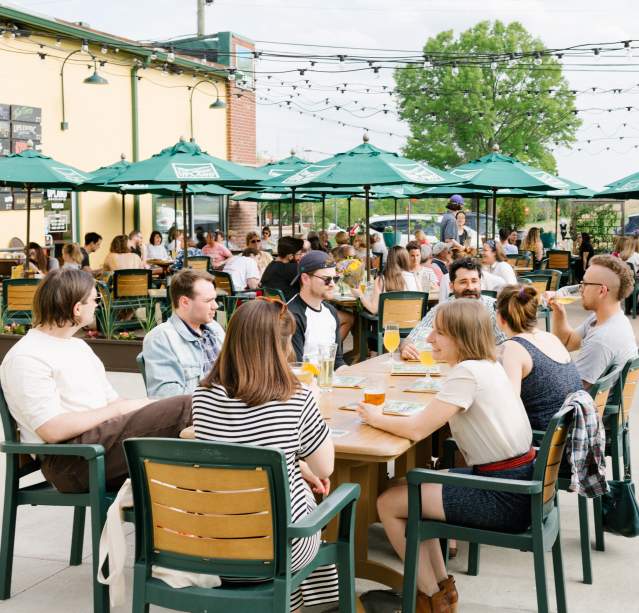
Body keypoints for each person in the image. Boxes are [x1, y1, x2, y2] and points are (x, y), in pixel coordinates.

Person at [357, 300, 533, 611]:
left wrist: (373, 416)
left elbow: (415, 430)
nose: (429, 339)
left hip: (502, 495)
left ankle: (429, 598)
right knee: (404, 486)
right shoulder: (488, 366)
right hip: (517, 483)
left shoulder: (466, 373)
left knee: (387, 503)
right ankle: (441, 593)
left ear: (460, 337)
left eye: (439, 333)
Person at [192, 299, 339, 611]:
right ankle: (300, 603)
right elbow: (325, 467)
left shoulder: (202, 397)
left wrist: (295, 464)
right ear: (280, 346)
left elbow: (240, 444)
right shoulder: (297, 398)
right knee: (314, 508)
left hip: (211, 546)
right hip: (278, 549)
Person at [0, 269, 192, 493]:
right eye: (95, 299)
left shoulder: (78, 346)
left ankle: (200, 512)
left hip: (100, 444)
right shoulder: (26, 356)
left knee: (189, 424)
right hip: (72, 460)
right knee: (186, 406)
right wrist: (121, 409)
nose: (98, 305)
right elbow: (52, 429)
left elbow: (112, 402)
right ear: (77, 308)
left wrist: (144, 406)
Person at [497, 284, 582, 430]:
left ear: (500, 318)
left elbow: (509, 407)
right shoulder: (551, 338)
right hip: (569, 436)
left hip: (541, 442)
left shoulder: (512, 348)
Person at [548, 254, 637, 389]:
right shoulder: (609, 319)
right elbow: (567, 343)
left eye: (585, 284)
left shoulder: (601, 339)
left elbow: (570, 391)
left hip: (588, 408)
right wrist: (558, 310)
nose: (580, 289)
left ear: (602, 291)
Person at [401, 258, 507, 358]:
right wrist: (406, 348)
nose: (470, 287)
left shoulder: (493, 308)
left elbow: (506, 345)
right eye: (463, 282)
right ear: (451, 286)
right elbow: (411, 338)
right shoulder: (442, 309)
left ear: (480, 283)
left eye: (474, 281)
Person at [142, 269, 225, 398]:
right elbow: (167, 399)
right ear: (185, 302)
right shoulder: (161, 339)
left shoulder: (215, 328)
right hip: (198, 415)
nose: (215, 306)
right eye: (208, 301)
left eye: (215, 299)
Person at [288, 251, 346, 368]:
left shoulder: (331, 311)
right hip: (305, 383)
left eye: (335, 279)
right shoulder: (292, 316)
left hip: (328, 381)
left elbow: (338, 361)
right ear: (305, 279)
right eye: (326, 279)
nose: (333, 285)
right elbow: (296, 369)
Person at [353, 246, 419, 316]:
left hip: (390, 326)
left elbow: (374, 309)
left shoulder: (381, 280)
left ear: (389, 260)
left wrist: (360, 295)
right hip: (413, 324)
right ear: (406, 259)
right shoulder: (415, 278)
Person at [260, 236, 304, 301]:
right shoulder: (291, 268)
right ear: (290, 256)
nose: (301, 256)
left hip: (271, 305)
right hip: (288, 307)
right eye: (299, 254)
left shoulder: (271, 265)